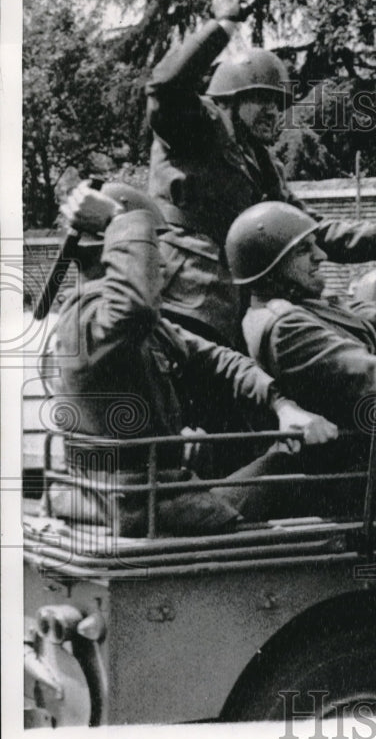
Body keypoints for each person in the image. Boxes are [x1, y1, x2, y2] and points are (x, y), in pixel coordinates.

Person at [44, 180, 338, 538]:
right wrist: (119, 220)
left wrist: (282, 405)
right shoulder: (91, 323)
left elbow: (216, 360)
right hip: (146, 507)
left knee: (274, 460)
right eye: (152, 247)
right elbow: (135, 305)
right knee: (299, 465)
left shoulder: (128, 327)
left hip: (146, 497)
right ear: (113, 253)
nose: (163, 260)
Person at [146, 0, 376, 348]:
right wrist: (223, 25)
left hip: (241, 300)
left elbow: (307, 229)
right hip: (187, 297)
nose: (274, 112)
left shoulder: (264, 164)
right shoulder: (197, 127)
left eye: (279, 104)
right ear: (230, 99)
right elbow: (165, 88)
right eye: (262, 99)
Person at [226, 198, 376, 443]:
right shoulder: (285, 328)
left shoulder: (303, 302)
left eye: (315, 245)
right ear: (270, 267)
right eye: (303, 250)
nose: (321, 255)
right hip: (368, 459)